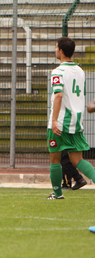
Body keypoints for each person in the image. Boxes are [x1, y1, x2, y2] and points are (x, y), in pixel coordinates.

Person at [46, 37, 95, 199]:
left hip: (60, 122)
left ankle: (58, 194)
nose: (55, 50)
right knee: (78, 160)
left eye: (55, 47)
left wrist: (53, 120)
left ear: (60, 50)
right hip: (76, 121)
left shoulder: (58, 72)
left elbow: (58, 95)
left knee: (55, 158)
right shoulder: (80, 71)